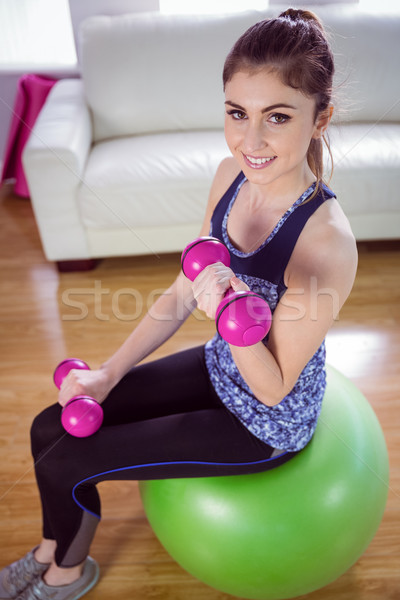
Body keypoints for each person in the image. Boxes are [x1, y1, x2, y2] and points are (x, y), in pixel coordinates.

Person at [1, 8, 358, 600]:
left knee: (70, 459)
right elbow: (181, 290)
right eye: (237, 113)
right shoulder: (229, 177)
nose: (252, 141)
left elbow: (272, 386)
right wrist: (110, 373)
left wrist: (229, 315)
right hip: (220, 366)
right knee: (49, 426)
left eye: (278, 117)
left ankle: (68, 574)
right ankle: (48, 548)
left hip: (263, 423)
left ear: (320, 118)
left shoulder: (327, 245)